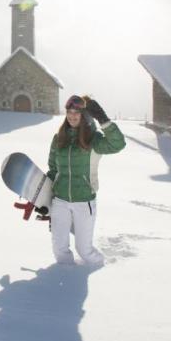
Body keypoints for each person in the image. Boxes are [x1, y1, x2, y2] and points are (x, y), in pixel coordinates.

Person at [46, 95, 125, 265]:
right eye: (69, 112)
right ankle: (65, 279)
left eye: (77, 112)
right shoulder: (58, 138)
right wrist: (44, 196)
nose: (72, 116)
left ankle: (103, 270)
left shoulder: (93, 139)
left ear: (84, 116)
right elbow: (53, 169)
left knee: (85, 251)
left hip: (84, 202)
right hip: (60, 201)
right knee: (59, 249)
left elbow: (118, 144)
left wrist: (103, 120)